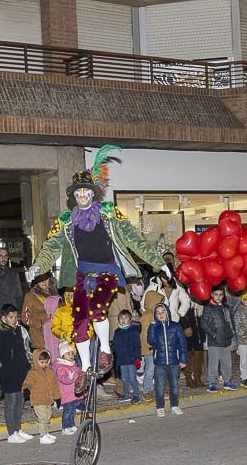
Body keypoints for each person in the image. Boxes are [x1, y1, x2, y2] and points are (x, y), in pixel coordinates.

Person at [28, 145, 167, 392]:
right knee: (79, 319)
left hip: (107, 271)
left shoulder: (109, 217)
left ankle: (105, 351)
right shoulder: (67, 222)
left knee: (97, 309)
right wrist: (38, 265)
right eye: (78, 193)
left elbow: (136, 241)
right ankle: (84, 368)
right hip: (82, 274)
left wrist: (159, 263)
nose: (82, 195)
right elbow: (51, 247)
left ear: (93, 194)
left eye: (86, 192)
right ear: (74, 196)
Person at [0, 305, 31, 443]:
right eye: (11, 317)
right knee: (11, 402)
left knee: (20, 401)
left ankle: (18, 428)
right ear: (4, 318)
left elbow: (23, 351)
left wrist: (27, 368)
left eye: (16, 317)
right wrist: (2, 372)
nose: (14, 320)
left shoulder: (19, 330)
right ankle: (11, 432)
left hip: (21, 371)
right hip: (8, 373)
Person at [146, 302, 186, 417]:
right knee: (159, 387)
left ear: (167, 313)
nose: (161, 314)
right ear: (155, 315)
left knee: (174, 386)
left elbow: (182, 343)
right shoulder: (154, 327)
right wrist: (152, 327)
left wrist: (183, 359)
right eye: (158, 313)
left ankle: (174, 405)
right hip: (159, 363)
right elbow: (151, 341)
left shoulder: (176, 326)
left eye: (163, 311)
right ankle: (160, 407)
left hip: (174, 362)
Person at [200, 286, 236, 391]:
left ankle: (227, 380)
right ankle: (212, 383)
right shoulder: (208, 308)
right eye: (216, 295)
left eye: (220, 295)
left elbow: (231, 322)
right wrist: (213, 334)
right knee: (213, 363)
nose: (218, 297)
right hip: (214, 341)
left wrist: (231, 333)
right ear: (212, 295)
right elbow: (203, 324)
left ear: (223, 295)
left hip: (226, 339)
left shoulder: (226, 307)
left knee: (226, 362)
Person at [21, 350, 58, 444]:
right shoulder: (33, 373)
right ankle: (42, 436)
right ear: (36, 361)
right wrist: (26, 389)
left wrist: (57, 397)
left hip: (48, 399)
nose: (44, 364)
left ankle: (46, 432)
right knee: (42, 418)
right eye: (41, 362)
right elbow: (28, 382)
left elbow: (54, 386)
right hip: (38, 400)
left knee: (48, 416)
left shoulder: (50, 372)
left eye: (46, 362)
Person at [111, 309, 142, 404]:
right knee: (124, 378)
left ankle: (136, 395)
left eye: (126, 318)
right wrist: (109, 351)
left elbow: (137, 345)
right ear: (118, 319)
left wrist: (137, 358)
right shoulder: (117, 332)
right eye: (121, 318)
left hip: (132, 359)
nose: (123, 320)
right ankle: (127, 394)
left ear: (130, 320)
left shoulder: (133, 331)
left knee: (132, 378)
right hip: (122, 360)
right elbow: (115, 345)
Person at [55, 342, 84, 436]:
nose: (71, 355)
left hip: (74, 393)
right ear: (62, 355)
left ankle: (71, 425)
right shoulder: (61, 367)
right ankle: (65, 427)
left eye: (72, 353)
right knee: (67, 411)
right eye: (68, 353)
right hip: (67, 394)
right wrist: (69, 378)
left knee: (72, 411)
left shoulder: (74, 366)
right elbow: (63, 379)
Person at [23, 272, 56, 353]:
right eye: (41, 280)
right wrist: (37, 324)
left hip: (54, 331)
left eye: (46, 279)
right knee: (43, 358)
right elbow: (24, 317)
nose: (44, 282)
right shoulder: (30, 296)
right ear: (36, 282)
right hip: (39, 334)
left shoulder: (54, 293)